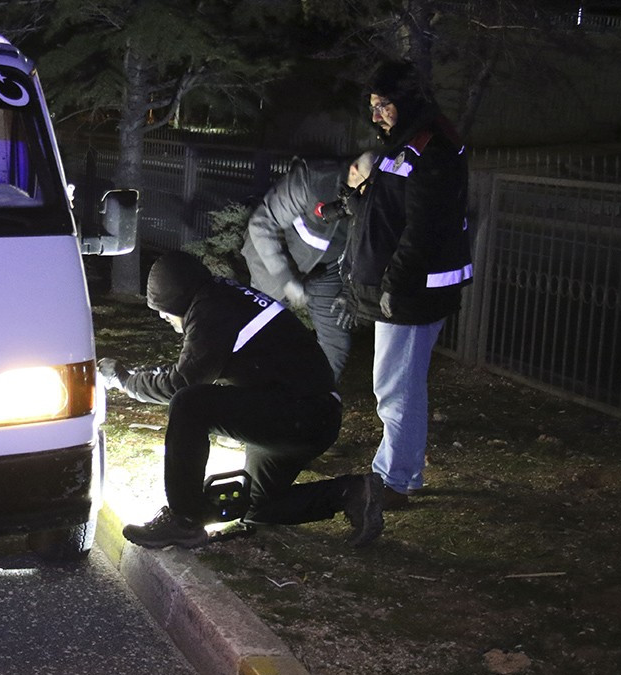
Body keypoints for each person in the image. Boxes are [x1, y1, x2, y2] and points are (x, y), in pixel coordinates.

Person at [98, 251, 384, 550]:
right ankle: (352, 492)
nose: (163, 318)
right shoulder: (220, 296)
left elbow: (181, 381)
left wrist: (125, 380)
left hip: (302, 414)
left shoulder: (212, 310)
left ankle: (183, 520)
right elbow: (190, 369)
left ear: (176, 301)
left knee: (189, 404)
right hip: (307, 412)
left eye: (163, 311)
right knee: (257, 508)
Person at [340, 59, 473, 509]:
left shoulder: (432, 146)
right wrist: (355, 194)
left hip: (413, 293)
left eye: (384, 105)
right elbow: (386, 215)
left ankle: (393, 482)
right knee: (401, 385)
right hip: (399, 289)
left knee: (395, 388)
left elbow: (423, 229)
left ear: (408, 101)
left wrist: (394, 286)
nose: (376, 115)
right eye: (373, 106)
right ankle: (402, 474)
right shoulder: (402, 143)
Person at [241, 152, 375, 380]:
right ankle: (251, 393)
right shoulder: (311, 179)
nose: (372, 197)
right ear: (354, 172)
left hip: (329, 271)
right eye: (369, 187)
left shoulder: (376, 200)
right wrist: (285, 278)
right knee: (260, 333)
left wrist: (349, 290)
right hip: (275, 263)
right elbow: (262, 223)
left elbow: (368, 250)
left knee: (336, 344)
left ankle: (312, 401)